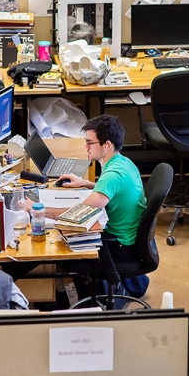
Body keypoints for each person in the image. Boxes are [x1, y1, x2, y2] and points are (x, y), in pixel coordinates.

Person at [36, 114, 147, 266]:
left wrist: (37, 210)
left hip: (120, 249)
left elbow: (76, 215)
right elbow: (115, 192)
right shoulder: (124, 162)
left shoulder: (112, 176)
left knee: (54, 249)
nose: (85, 147)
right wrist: (86, 183)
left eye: (90, 143)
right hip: (128, 240)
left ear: (107, 145)